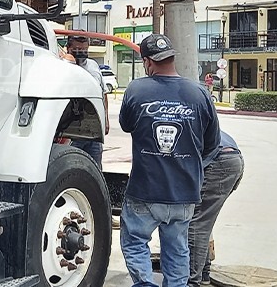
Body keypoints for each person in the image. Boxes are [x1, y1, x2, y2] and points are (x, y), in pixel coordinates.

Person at [118, 34, 221, 287]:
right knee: (177, 249)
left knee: (135, 242)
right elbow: (211, 145)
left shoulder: (136, 90)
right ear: (172, 58)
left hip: (145, 190)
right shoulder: (200, 93)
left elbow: (126, 125)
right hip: (184, 193)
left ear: (147, 62)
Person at [188, 130, 244, 286]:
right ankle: (203, 273)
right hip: (232, 158)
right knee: (203, 220)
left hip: (219, 161)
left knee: (196, 224)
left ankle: (192, 281)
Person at [65, 35, 110, 169]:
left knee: (95, 168)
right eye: (77, 49)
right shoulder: (63, 66)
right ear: (68, 48)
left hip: (93, 131)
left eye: (84, 49)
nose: (81, 52)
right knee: (72, 167)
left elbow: (103, 93)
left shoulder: (93, 65)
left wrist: (106, 119)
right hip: (72, 132)